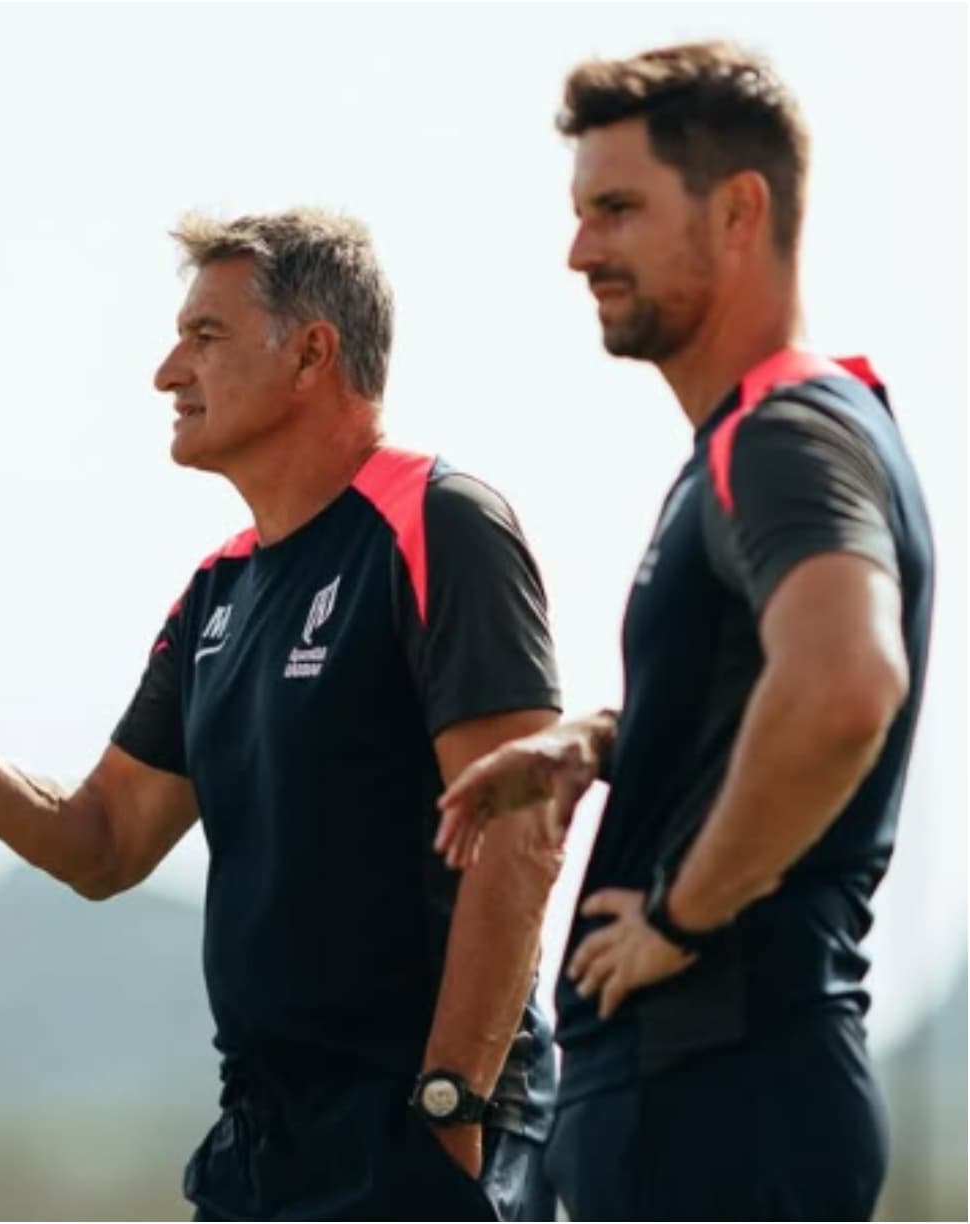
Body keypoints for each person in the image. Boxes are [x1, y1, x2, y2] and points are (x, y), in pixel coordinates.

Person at [0, 209, 567, 1219]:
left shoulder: (440, 522)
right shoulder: (218, 592)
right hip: (265, 1140)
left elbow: (525, 825)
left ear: (312, 355)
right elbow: (104, 842)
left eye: (206, 336)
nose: (166, 371)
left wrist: (450, 1098)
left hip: (419, 1126)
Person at [437, 42, 933, 1220]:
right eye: (578, 213)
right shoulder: (760, 439)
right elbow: (771, 674)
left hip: (722, 1094)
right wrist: (605, 739)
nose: (579, 250)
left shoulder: (783, 434)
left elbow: (847, 683)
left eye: (618, 209)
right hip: (703, 1102)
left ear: (739, 210)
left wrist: (682, 914)